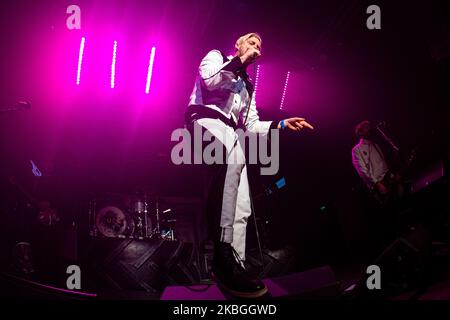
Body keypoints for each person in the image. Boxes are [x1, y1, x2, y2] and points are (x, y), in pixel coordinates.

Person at [185, 32, 314, 298]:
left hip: (230, 131)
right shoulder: (217, 56)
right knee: (231, 159)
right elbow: (209, 81)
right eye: (251, 43)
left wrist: (280, 124)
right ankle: (221, 256)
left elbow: (251, 124)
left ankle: (236, 265)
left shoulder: (248, 85)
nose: (256, 48)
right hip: (204, 119)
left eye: (259, 46)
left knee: (242, 204)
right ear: (238, 45)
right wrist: (241, 60)